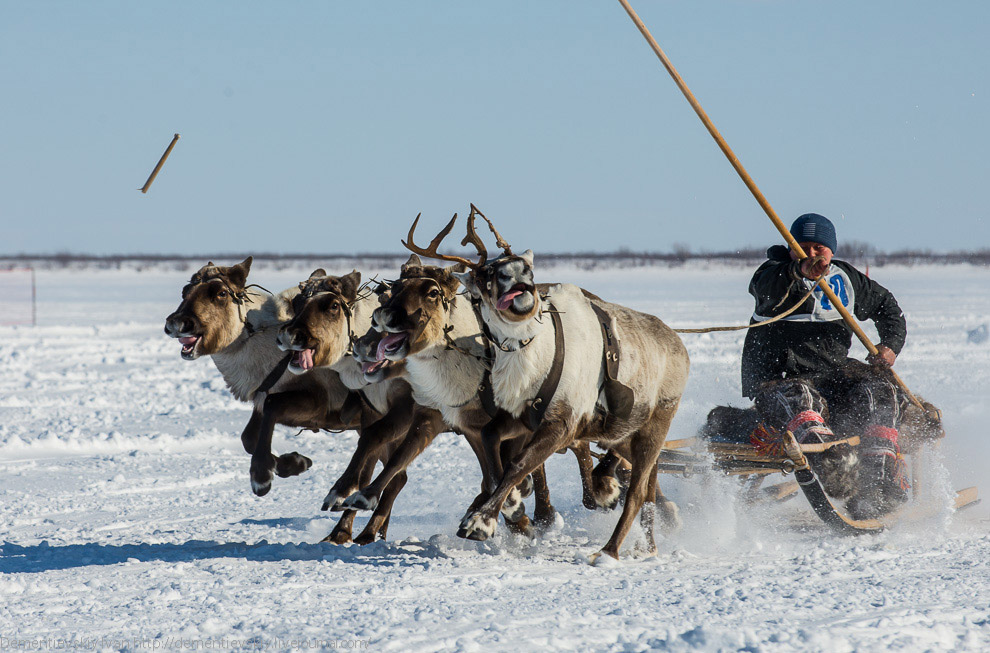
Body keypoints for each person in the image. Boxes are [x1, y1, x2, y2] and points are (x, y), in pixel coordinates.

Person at [741, 213, 909, 519]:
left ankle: (879, 483)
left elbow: (888, 308)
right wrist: (800, 270)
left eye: (819, 247)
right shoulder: (772, 274)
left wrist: (889, 348)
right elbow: (766, 292)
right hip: (779, 380)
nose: (812, 253)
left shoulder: (844, 277)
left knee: (881, 390)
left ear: (831, 249)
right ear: (790, 248)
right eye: (802, 246)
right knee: (803, 400)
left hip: (832, 373)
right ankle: (837, 470)